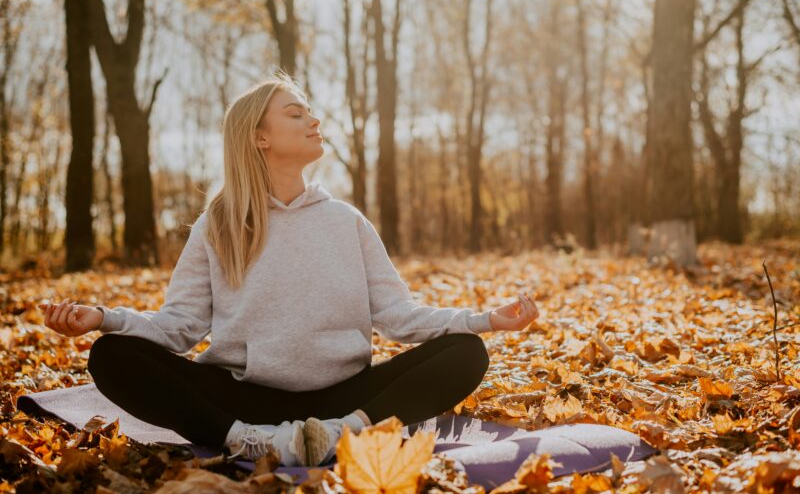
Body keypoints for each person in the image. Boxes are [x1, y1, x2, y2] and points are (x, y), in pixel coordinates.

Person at [39, 73, 540, 467]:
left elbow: (398, 318)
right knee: (111, 357)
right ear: (259, 137)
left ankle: (346, 435)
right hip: (246, 405)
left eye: (311, 112)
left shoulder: (347, 222)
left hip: (345, 401)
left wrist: (486, 320)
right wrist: (103, 318)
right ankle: (250, 443)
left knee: (465, 354)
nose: (314, 120)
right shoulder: (219, 225)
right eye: (296, 112)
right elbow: (179, 329)